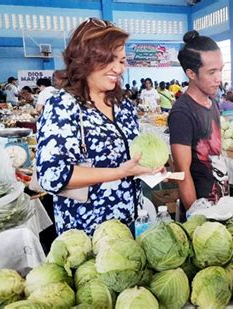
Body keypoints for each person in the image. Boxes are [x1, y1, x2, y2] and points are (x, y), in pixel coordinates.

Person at [36, 18, 161, 235]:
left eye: (122, 61)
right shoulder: (63, 106)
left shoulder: (122, 105)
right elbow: (50, 175)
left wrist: (150, 167)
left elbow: (131, 156)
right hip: (88, 233)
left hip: (132, 225)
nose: (118, 68)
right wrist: (118, 172)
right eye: (109, 59)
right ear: (84, 59)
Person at [168, 30, 229, 214]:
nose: (219, 79)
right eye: (211, 72)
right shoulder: (182, 113)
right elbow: (182, 173)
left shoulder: (212, 103)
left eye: (220, 70)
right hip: (201, 209)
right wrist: (196, 217)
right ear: (191, 73)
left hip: (219, 202)